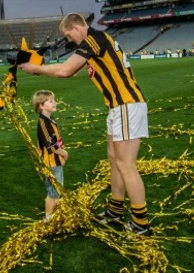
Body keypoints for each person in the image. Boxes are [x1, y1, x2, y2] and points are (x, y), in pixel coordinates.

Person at [19, 13, 151, 235]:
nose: (69, 40)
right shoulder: (95, 44)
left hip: (127, 105)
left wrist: (37, 69)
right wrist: (40, 64)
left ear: (78, 27)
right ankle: (115, 212)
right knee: (114, 160)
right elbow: (71, 71)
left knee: (126, 164)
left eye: (68, 35)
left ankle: (141, 223)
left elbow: (65, 70)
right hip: (118, 108)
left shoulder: (93, 38)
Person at [32, 90, 68, 221]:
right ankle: (48, 218)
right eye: (50, 101)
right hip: (51, 163)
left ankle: (56, 212)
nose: (55, 102)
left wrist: (61, 156)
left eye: (54, 99)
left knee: (57, 189)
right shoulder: (43, 123)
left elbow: (56, 140)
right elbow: (52, 146)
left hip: (56, 160)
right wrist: (65, 154)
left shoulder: (50, 120)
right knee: (52, 193)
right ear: (41, 106)